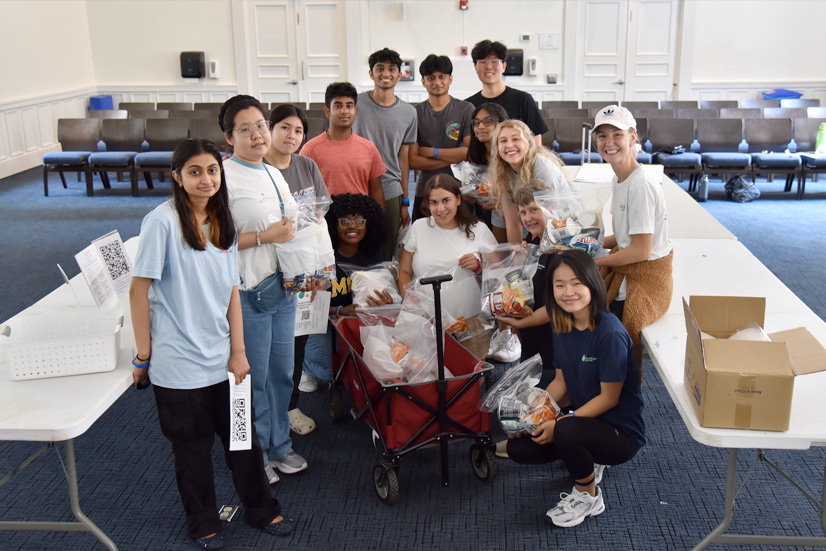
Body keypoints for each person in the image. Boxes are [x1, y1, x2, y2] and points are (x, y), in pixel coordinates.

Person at [130, 138, 292, 550]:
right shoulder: (161, 222)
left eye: (212, 170)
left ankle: (262, 508)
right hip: (178, 365)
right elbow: (138, 290)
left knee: (243, 440)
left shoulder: (223, 221)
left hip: (224, 359)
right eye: (195, 171)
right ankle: (203, 522)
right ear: (177, 177)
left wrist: (238, 351)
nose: (206, 179)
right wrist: (142, 355)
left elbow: (231, 291)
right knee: (193, 450)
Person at [506, 249, 645, 529]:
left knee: (566, 430)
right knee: (518, 447)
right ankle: (587, 454)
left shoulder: (610, 333)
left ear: (592, 283)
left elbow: (609, 398)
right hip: (585, 419)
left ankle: (588, 494)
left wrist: (560, 423)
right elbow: (560, 382)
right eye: (559, 285)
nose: (568, 292)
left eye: (576, 283)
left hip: (621, 433)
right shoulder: (563, 324)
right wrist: (533, 416)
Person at [219, 95, 306, 484]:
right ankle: (252, 457)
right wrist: (263, 236)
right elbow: (211, 242)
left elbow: (289, 227)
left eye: (260, 126)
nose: (257, 134)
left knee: (281, 373)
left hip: (282, 288)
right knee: (248, 379)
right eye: (245, 128)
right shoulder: (222, 177)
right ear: (228, 137)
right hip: (246, 293)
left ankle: (279, 447)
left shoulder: (271, 171)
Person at [591, 105, 673, 380]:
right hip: (632, 262)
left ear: (633, 137)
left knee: (600, 324)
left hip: (646, 276)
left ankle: (615, 390)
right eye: (602, 136)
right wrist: (594, 243)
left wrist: (596, 261)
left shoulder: (639, 185)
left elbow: (641, 250)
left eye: (617, 134)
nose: (609, 143)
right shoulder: (620, 178)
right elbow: (627, 237)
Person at [264, 104, 331, 434]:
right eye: (285, 128)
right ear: (270, 128)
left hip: (306, 265)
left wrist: (319, 267)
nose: (292, 136)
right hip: (267, 267)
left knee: (298, 340)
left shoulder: (306, 164)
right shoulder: (257, 169)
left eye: (299, 131)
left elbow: (320, 213)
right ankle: (266, 413)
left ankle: (290, 407)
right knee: (269, 345)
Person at [397, 174, 498, 335]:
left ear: (458, 199)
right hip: (424, 321)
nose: (440, 209)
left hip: (470, 323)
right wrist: (409, 298)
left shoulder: (479, 229)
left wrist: (479, 268)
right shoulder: (418, 228)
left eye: (446, 200)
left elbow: (499, 277)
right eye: (434, 203)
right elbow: (404, 271)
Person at [352, 47, 417, 257]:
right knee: (354, 245)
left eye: (391, 69)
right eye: (380, 68)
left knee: (387, 249)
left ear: (400, 74)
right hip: (357, 185)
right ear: (371, 73)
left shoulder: (409, 113)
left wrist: (405, 201)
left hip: (390, 187)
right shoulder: (355, 104)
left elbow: (404, 159)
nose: (386, 73)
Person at [408, 54, 474, 221]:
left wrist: (432, 152)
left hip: (460, 191)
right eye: (431, 78)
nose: (437, 82)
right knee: (423, 242)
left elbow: (469, 153)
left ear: (450, 79)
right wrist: (454, 159)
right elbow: (413, 161)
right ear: (423, 81)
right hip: (425, 191)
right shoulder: (415, 113)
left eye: (442, 77)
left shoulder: (466, 109)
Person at [300, 82, 386, 209]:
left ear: (355, 111)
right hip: (324, 218)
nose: (344, 111)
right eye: (338, 106)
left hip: (359, 218)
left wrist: (379, 224)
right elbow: (303, 192)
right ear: (327, 111)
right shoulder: (310, 149)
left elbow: (376, 191)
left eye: (349, 106)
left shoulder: (368, 148)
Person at [489, 119, 568, 245]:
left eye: (515, 139)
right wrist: (517, 258)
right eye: (503, 141)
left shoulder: (543, 169)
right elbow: (512, 222)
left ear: (528, 142)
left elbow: (550, 220)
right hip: (539, 228)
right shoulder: (504, 172)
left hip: (564, 231)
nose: (509, 145)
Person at [465, 39, 547, 146]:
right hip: (480, 162)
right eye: (483, 62)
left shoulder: (523, 100)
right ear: (476, 67)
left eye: (494, 61)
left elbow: (536, 145)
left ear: (504, 66)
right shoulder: (468, 105)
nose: (489, 66)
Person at [464, 102, 510, 236]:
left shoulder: (510, 153)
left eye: (487, 121)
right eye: (476, 123)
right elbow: (472, 184)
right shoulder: (475, 153)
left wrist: (500, 202)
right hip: (483, 210)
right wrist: (472, 194)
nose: (480, 126)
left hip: (512, 210)